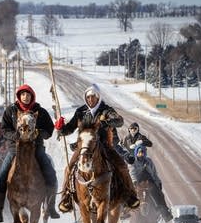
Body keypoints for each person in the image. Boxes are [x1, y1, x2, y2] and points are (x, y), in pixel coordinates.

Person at [54, 83, 140, 213]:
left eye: (93, 97)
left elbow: (119, 121)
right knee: (69, 168)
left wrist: (107, 120)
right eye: (88, 97)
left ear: (98, 97)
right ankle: (67, 197)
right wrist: (61, 128)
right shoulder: (81, 112)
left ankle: (130, 195)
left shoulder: (106, 110)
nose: (90, 99)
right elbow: (69, 129)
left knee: (122, 166)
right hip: (84, 147)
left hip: (105, 146)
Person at [0, 84, 60, 223]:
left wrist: (38, 133)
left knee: (50, 173)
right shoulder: (11, 111)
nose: (25, 97)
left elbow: (49, 130)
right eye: (23, 95)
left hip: (36, 148)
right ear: (19, 96)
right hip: (15, 149)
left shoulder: (40, 111)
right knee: (1, 177)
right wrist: (16, 135)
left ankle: (50, 207)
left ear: (32, 96)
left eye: (28, 95)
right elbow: (4, 129)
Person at [128, 145, 173, 222]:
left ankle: (165, 214)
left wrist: (158, 182)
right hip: (138, 182)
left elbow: (154, 173)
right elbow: (132, 173)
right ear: (136, 153)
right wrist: (134, 181)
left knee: (159, 194)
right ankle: (125, 212)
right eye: (139, 152)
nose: (140, 154)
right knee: (129, 193)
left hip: (149, 181)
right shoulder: (133, 162)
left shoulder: (149, 161)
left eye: (142, 152)